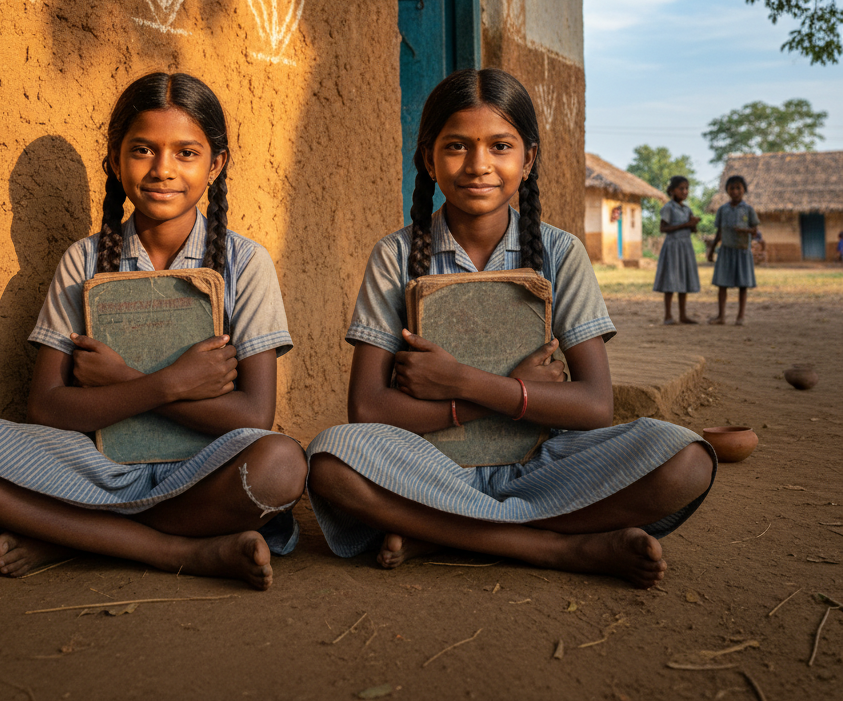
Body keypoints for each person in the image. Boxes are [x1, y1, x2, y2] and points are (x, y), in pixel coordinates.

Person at [306, 69, 715, 590]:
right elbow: (365, 409)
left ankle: (443, 533)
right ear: (429, 157)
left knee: (687, 462)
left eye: (500, 145)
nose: (479, 165)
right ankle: (554, 547)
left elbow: (595, 406)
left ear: (529, 159)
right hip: (429, 468)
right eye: (457, 146)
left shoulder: (561, 253)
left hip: (545, 461)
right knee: (329, 462)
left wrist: (462, 381)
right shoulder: (396, 256)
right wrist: (481, 395)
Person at [0, 73, 307, 590]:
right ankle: (172, 551)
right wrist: (167, 383)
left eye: (186, 153)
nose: (163, 170)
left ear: (216, 164)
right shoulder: (84, 260)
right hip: (95, 469)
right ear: (115, 160)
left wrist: (121, 377)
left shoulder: (246, 263)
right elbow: (48, 409)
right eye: (143, 149)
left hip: (202, 471)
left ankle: (69, 538)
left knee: (281, 464)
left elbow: (254, 415)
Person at [707, 175, 759, 326]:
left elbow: (755, 231)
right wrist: (712, 250)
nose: (735, 191)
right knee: (722, 284)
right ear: (727, 190)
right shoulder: (722, 210)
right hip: (725, 251)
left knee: (743, 285)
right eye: (732, 188)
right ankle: (721, 316)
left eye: (738, 188)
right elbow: (719, 232)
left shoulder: (748, 210)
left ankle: (740, 316)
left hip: (742, 251)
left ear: (744, 190)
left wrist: (745, 231)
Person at [653, 176, 701, 325]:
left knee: (683, 280)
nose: (684, 191)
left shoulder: (687, 209)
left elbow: (692, 230)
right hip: (673, 247)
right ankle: (668, 315)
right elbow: (663, 228)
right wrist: (686, 224)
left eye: (687, 189)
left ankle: (683, 315)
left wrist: (693, 224)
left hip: (685, 247)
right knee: (671, 280)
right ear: (672, 190)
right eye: (681, 188)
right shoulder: (668, 207)